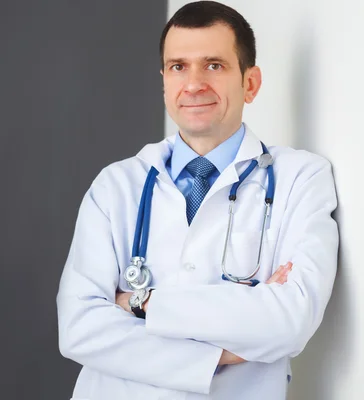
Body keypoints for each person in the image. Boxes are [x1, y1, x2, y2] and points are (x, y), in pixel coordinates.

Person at [56, 1, 339, 399]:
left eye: (214, 65)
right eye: (178, 67)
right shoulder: (115, 185)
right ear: (164, 81)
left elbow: (291, 320)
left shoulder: (300, 179)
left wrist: (141, 303)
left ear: (250, 83)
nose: (193, 84)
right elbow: (78, 328)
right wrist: (223, 352)